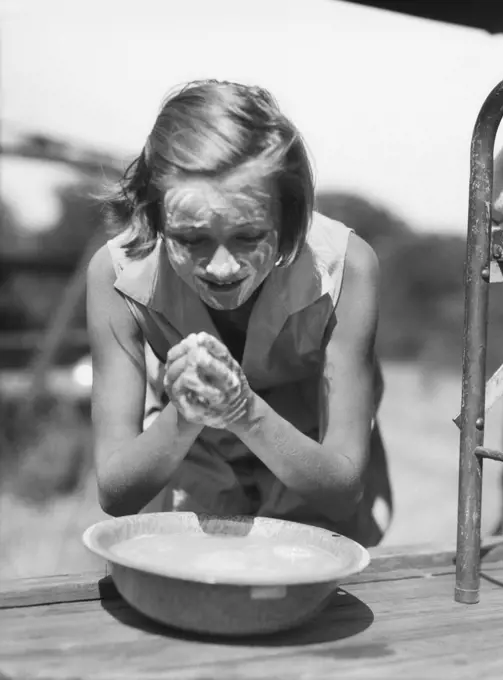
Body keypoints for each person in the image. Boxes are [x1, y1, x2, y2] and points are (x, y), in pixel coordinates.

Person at [86, 80, 392, 547]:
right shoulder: (117, 275)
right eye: (191, 240)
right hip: (192, 459)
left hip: (307, 462)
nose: (223, 267)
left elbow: (342, 490)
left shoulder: (346, 269)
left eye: (249, 236)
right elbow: (115, 492)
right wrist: (187, 414)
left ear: (289, 218)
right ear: (153, 219)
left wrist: (241, 411)